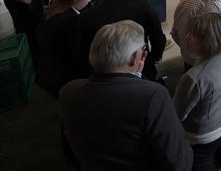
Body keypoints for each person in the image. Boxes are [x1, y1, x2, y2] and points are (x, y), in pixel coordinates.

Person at [60, 21, 193, 171]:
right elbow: (179, 162)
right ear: (138, 56)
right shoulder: (153, 95)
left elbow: (69, 150)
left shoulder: (68, 91)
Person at [173, 13, 221, 171]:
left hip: (205, 134)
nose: (187, 37)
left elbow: (177, 113)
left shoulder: (194, 77)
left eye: (194, 36)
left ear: (208, 40)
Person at [77, 0, 166, 81]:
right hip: (139, 68)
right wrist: (151, 59)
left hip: (103, 73)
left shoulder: (89, 14)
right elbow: (158, 40)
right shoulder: (144, 6)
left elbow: (83, 49)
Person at [36, 0, 92, 98]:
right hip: (63, 78)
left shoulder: (52, 11)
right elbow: (77, 52)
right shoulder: (72, 21)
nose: (90, 0)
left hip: (46, 71)